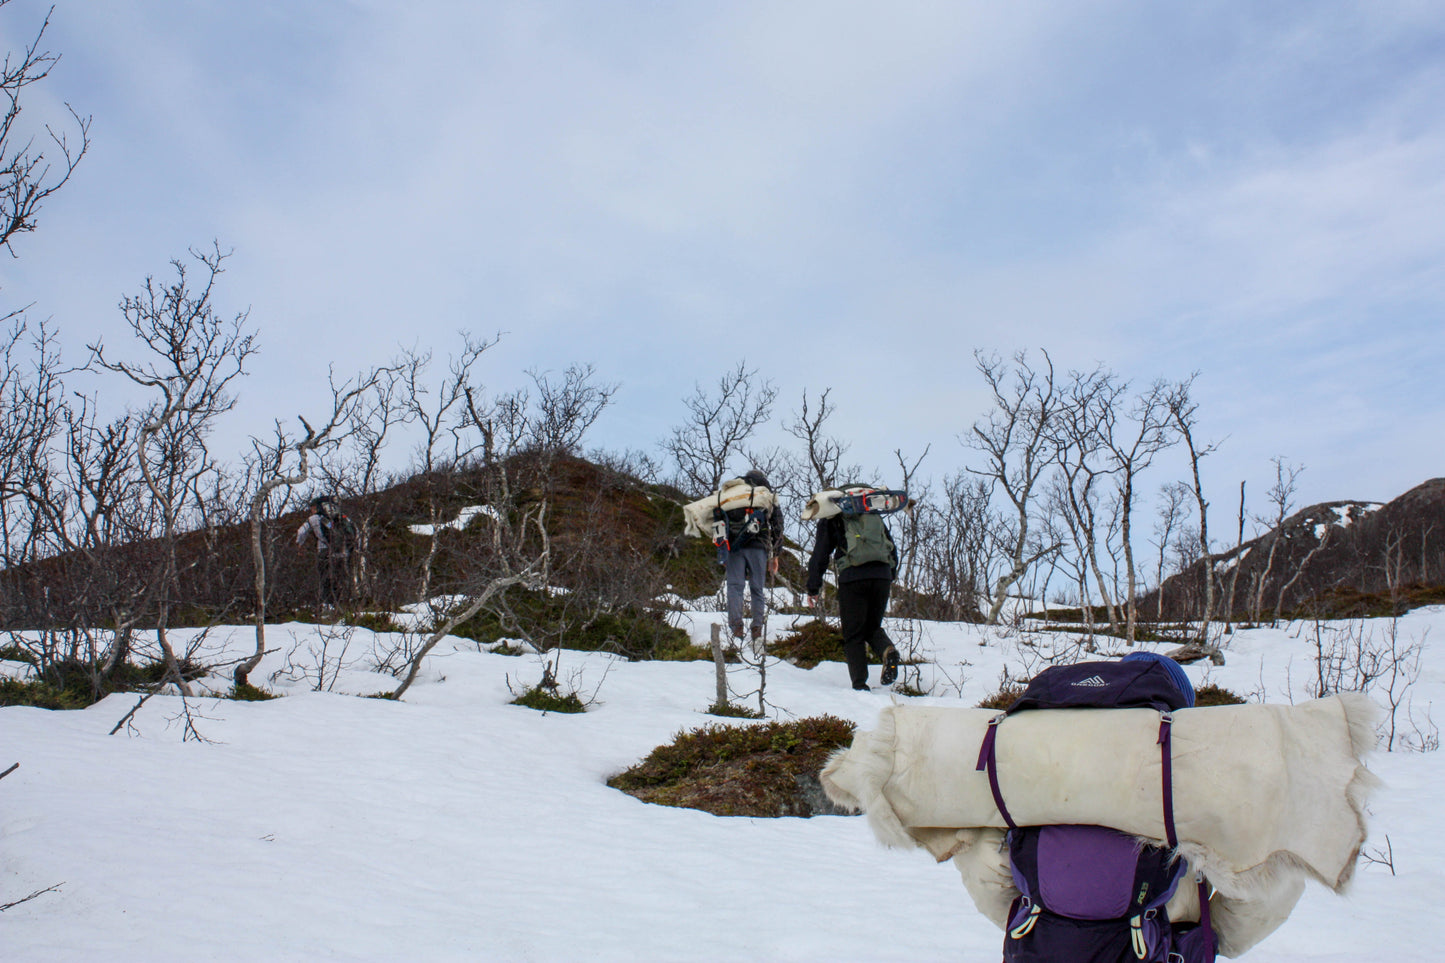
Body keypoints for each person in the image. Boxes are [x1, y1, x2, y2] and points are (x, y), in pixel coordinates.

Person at [805, 490, 900, 690]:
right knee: (872, 627)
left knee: (854, 633)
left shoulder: (832, 517)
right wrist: (889, 574)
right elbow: (891, 547)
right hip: (881, 575)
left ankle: (859, 684)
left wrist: (813, 587)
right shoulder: (872, 512)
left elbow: (820, 554)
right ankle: (887, 649)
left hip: (853, 577)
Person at [721, 470, 785, 644]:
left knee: (735, 587)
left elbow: (720, 520)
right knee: (757, 588)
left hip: (734, 546)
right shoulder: (764, 494)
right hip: (759, 547)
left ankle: (736, 628)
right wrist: (775, 554)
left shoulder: (734, 493)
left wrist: (723, 551)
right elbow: (777, 524)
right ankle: (757, 629)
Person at [296, 495, 353, 609]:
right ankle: (343, 602)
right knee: (341, 577)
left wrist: (299, 545)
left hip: (324, 551)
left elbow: (301, 532)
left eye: (312, 508)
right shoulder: (342, 517)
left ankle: (327, 604)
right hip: (342, 552)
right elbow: (352, 532)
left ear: (317, 507)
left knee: (325, 578)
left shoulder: (313, 519)